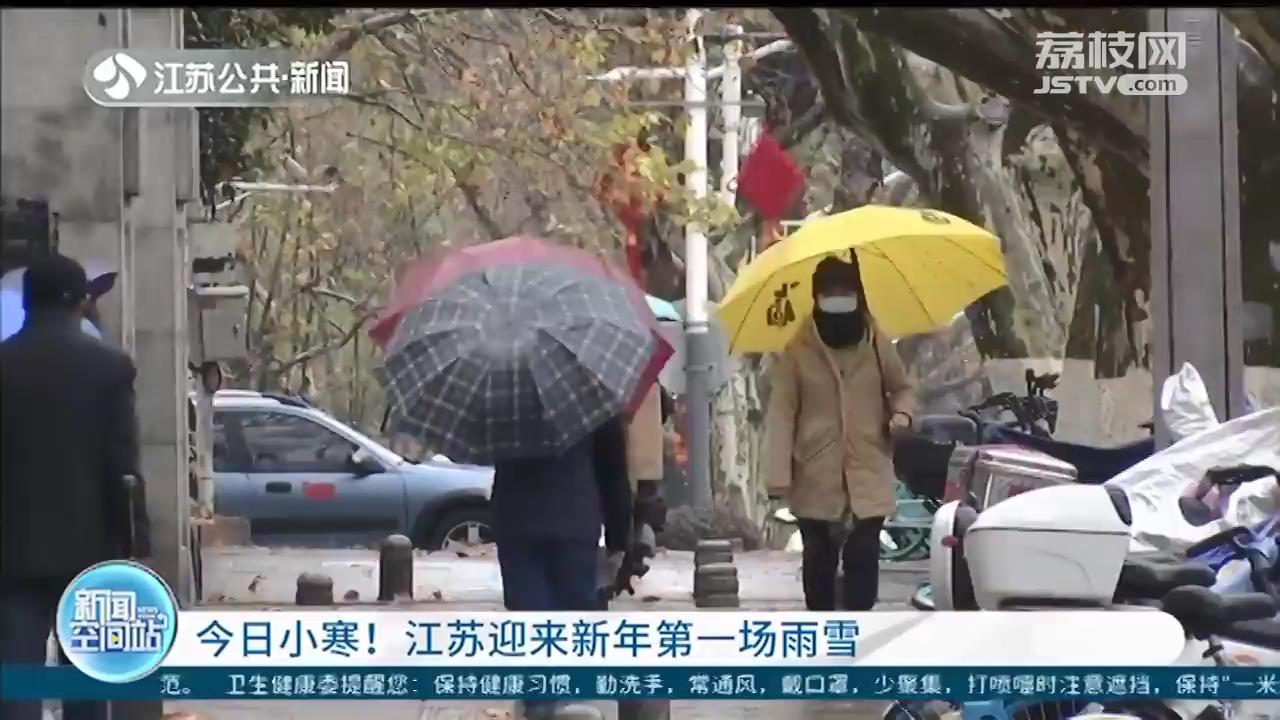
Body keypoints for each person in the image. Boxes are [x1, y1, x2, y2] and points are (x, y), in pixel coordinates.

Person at [1, 254, 146, 720]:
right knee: (85, 671)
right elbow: (123, 463)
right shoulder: (109, 367)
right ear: (81, 302)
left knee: (16, 671)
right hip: (90, 545)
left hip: (12, 547)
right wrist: (134, 540)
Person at [762, 255, 917, 611]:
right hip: (815, 472)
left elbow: (903, 387)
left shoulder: (878, 344)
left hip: (868, 466)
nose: (837, 300)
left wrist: (903, 415)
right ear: (816, 297)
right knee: (819, 560)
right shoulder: (797, 350)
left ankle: (860, 635)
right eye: (829, 293)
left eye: (845, 292)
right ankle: (822, 632)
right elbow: (782, 414)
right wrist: (777, 479)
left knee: (864, 556)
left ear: (858, 296)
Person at [491, 414, 633, 720]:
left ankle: (540, 703)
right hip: (575, 521)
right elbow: (613, 473)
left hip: (517, 523)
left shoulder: (501, 395)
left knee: (530, 616)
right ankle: (569, 701)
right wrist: (619, 540)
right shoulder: (590, 397)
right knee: (573, 613)